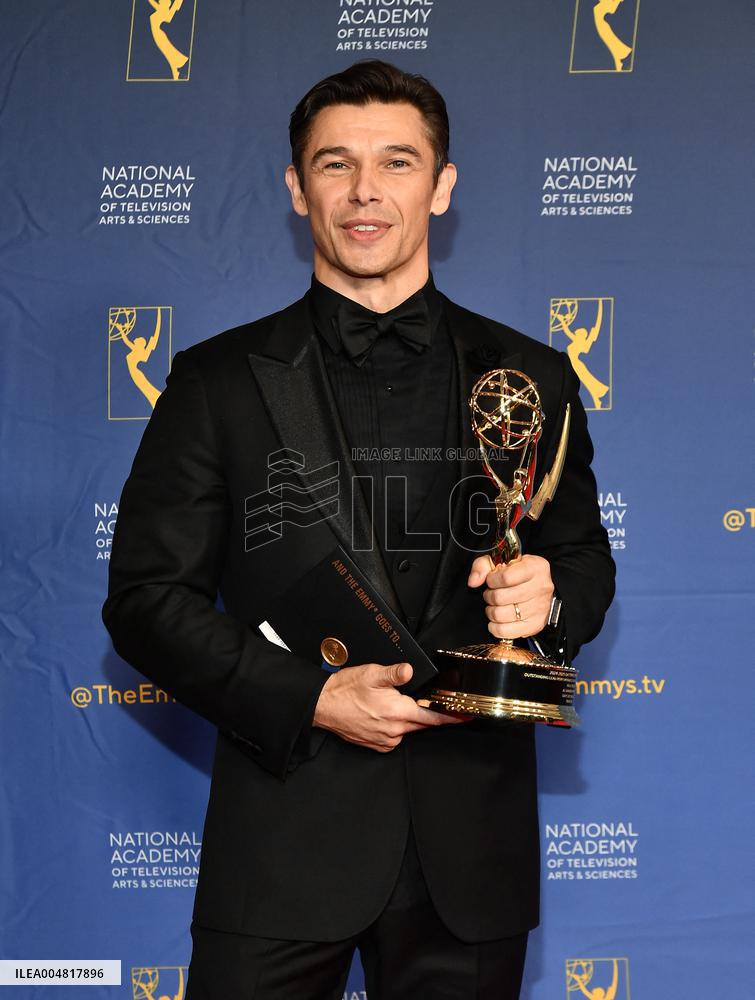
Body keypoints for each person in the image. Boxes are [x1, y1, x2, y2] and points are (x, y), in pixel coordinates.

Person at [103, 60, 615, 1000]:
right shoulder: (217, 382)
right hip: (282, 838)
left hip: (470, 850)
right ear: (298, 189)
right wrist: (311, 698)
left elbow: (580, 558)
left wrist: (549, 599)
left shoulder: (531, 374)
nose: (366, 191)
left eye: (397, 162)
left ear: (443, 184)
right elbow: (145, 601)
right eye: (335, 165)